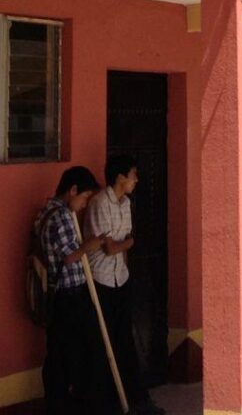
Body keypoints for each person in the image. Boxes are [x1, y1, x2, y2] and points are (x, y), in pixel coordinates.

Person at [85, 154, 164, 415]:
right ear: (120, 177)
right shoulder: (99, 203)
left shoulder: (125, 203)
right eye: (133, 175)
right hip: (101, 279)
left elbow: (123, 244)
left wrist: (124, 250)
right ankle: (103, 399)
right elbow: (109, 247)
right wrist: (126, 244)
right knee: (102, 341)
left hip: (121, 278)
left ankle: (133, 396)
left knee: (124, 339)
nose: (136, 180)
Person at [37, 165, 109, 415]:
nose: (85, 204)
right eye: (85, 197)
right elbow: (69, 257)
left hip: (59, 295)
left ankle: (58, 405)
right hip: (70, 295)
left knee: (58, 355)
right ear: (73, 190)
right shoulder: (62, 216)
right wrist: (92, 245)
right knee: (79, 354)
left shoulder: (46, 212)